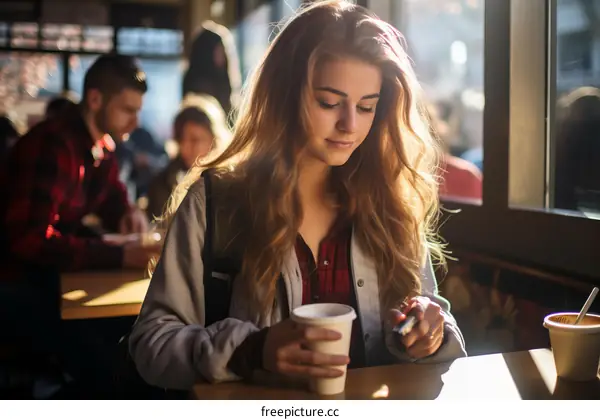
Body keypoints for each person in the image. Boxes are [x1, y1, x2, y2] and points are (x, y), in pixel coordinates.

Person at [129, 0, 467, 391]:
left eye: (367, 107)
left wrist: (429, 331)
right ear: (285, 94)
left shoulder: (389, 200)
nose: (349, 125)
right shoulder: (216, 202)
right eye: (328, 102)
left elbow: (427, 317)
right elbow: (150, 345)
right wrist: (251, 351)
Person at [0, 54, 159, 396]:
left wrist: (127, 215)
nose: (135, 122)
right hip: (14, 281)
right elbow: (29, 241)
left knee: (127, 331)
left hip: (49, 276)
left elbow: (113, 199)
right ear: (96, 99)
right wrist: (118, 256)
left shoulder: (101, 144)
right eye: (128, 110)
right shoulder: (53, 145)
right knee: (103, 353)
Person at [146, 95, 231, 220]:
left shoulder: (230, 183)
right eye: (181, 140)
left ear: (214, 139)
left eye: (194, 140)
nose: (185, 149)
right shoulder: (164, 182)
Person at [183, 20, 241, 117]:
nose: (222, 56)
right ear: (206, 53)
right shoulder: (200, 86)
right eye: (218, 51)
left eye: (222, 51)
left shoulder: (222, 80)